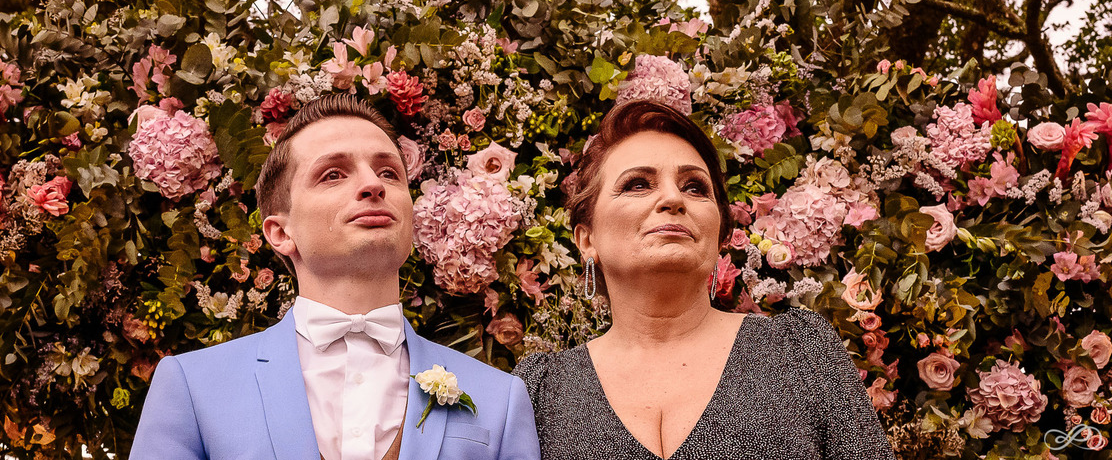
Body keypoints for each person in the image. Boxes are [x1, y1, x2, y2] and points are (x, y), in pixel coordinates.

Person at [129, 95, 541, 460]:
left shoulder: (500, 399)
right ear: (281, 232)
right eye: (333, 174)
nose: (372, 184)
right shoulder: (192, 387)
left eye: (389, 173)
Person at [514, 100, 895, 460]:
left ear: (720, 235)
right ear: (587, 239)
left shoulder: (800, 351)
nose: (673, 198)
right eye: (638, 184)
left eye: (695, 187)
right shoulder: (539, 391)